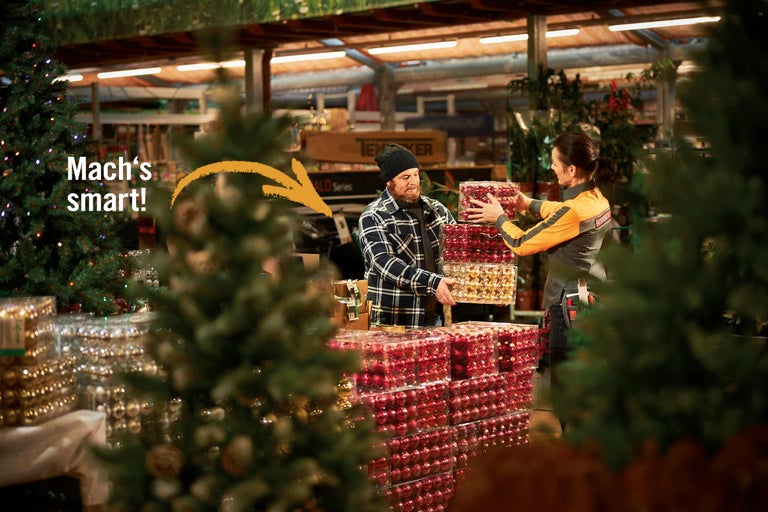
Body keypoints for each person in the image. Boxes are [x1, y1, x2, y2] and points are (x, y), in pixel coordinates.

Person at [466, 131, 615, 425]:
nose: (551, 168)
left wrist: (498, 217)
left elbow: (521, 243)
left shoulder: (575, 211)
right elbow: (560, 212)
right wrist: (527, 204)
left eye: (555, 163)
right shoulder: (597, 199)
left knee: (563, 385)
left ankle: (573, 447)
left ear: (571, 170)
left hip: (568, 304)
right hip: (590, 297)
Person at [358, 143, 457, 329]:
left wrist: (493, 288)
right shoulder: (374, 216)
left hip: (434, 317)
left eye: (415, 174)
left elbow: (459, 251)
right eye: (405, 177)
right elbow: (384, 263)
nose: (413, 182)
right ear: (389, 182)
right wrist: (433, 283)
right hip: (393, 322)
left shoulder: (437, 210)